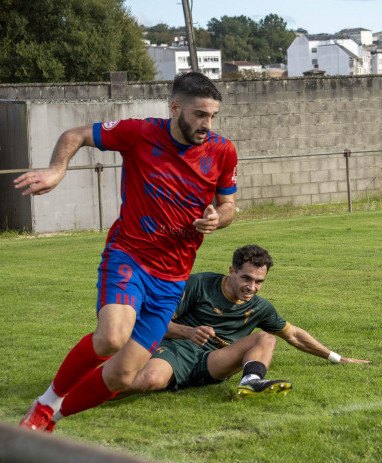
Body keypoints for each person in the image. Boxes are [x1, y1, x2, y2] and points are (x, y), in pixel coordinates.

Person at [15, 71, 238, 433]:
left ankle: (49, 419)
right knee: (112, 337)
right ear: (175, 107)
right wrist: (57, 171)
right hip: (130, 255)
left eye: (212, 116)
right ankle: (46, 401)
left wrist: (218, 217)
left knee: (122, 374)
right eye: (199, 114)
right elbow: (76, 134)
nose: (206, 124)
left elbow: (228, 206)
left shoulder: (223, 151)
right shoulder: (140, 132)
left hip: (173, 277)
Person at [120, 245, 369, 401]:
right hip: (178, 350)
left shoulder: (260, 307)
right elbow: (151, 322)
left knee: (266, 337)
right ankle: (90, 392)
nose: (252, 287)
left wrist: (337, 358)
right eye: (246, 278)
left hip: (215, 363)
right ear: (231, 271)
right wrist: (189, 332)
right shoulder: (199, 284)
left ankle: (250, 382)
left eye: (259, 281)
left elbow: (294, 335)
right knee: (150, 380)